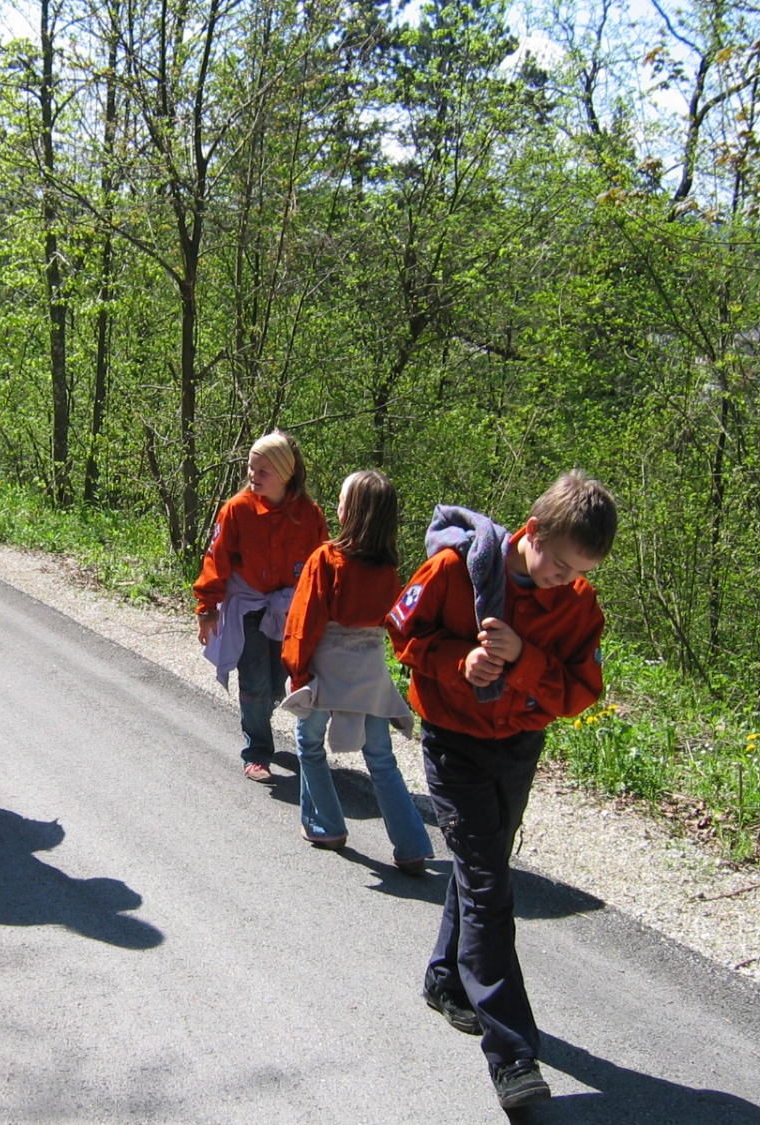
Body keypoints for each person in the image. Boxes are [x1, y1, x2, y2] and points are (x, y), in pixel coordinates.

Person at [386, 470, 616, 1110]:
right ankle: (512, 1055)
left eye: (578, 571)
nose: (563, 580)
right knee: (488, 883)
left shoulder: (578, 604)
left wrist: (522, 660)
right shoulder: (456, 570)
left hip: (517, 746)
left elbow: (580, 691)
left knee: (480, 864)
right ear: (533, 532)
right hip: (454, 741)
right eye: (559, 565)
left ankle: (445, 979)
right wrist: (458, 660)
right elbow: (402, 632)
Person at [279, 470, 434, 873]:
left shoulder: (326, 558)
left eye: (343, 500)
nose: (337, 506)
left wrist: (297, 673)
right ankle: (412, 845)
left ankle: (325, 824)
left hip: (325, 671)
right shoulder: (389, 568)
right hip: (369, 674)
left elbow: (304, 621)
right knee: (381, 759)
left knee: (309, 744)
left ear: (354, 512)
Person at [194, 431, 328, 782]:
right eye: (251, 468)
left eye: (263, 470)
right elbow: (216, 559)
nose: (253, 476)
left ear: (285, 474)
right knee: (253, 682)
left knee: (277, 682)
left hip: (289, 611)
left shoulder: (310, 515)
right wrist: (207, 609)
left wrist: (326, 612)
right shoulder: (236, 510)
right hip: (248, 607)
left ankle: (261, 720)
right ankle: (257, 753)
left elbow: (323, 566)